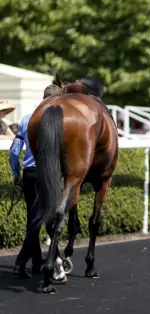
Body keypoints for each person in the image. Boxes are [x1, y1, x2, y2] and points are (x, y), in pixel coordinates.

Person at [10, 84, 62, 278]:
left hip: (28, 174)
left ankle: (36, 262)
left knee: (32, 218)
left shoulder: (25, 119)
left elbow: (14, 152)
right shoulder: (60, 121)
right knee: (42, 219)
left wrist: (16, 173)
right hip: (48, 175)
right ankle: (21, 261)